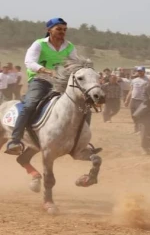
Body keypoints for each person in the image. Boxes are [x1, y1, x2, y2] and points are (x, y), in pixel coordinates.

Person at [6, 18, 98, 155]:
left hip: (61, 83)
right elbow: (29, 62)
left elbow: (73, 63)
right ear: (49, 30)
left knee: (85, 107)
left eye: (64, 29)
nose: (62, 32)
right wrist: (47, 71)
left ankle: (81, 142)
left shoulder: (69, 46)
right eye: (59, 29)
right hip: (40, 80)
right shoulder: (39, 44)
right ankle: (15, 140)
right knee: (29, 105)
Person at [124, 67, 149, 134]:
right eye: (138, 71)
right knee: (133, 115)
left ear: (144, 71)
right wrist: (127, 100)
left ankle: (141, 130)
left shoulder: (147, 80)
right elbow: (131, 90)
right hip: (133, 99)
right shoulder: (134, 80)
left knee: (140, 115)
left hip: (142, 100)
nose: (139, 72)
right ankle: (136, 129)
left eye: (141, 71)